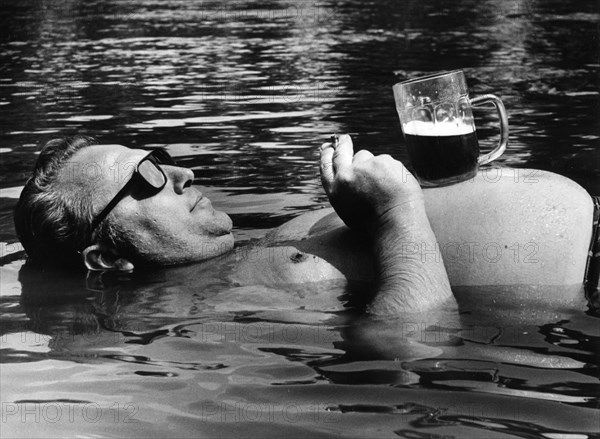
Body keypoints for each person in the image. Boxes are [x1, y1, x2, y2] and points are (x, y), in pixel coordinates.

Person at [13, 135, 597, 317]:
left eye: (160, 157)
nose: (182, 172)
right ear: (107, 259)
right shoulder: (224, 312)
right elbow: (416, 349)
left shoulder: (251, 252)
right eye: (146, 176)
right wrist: (398, 216)